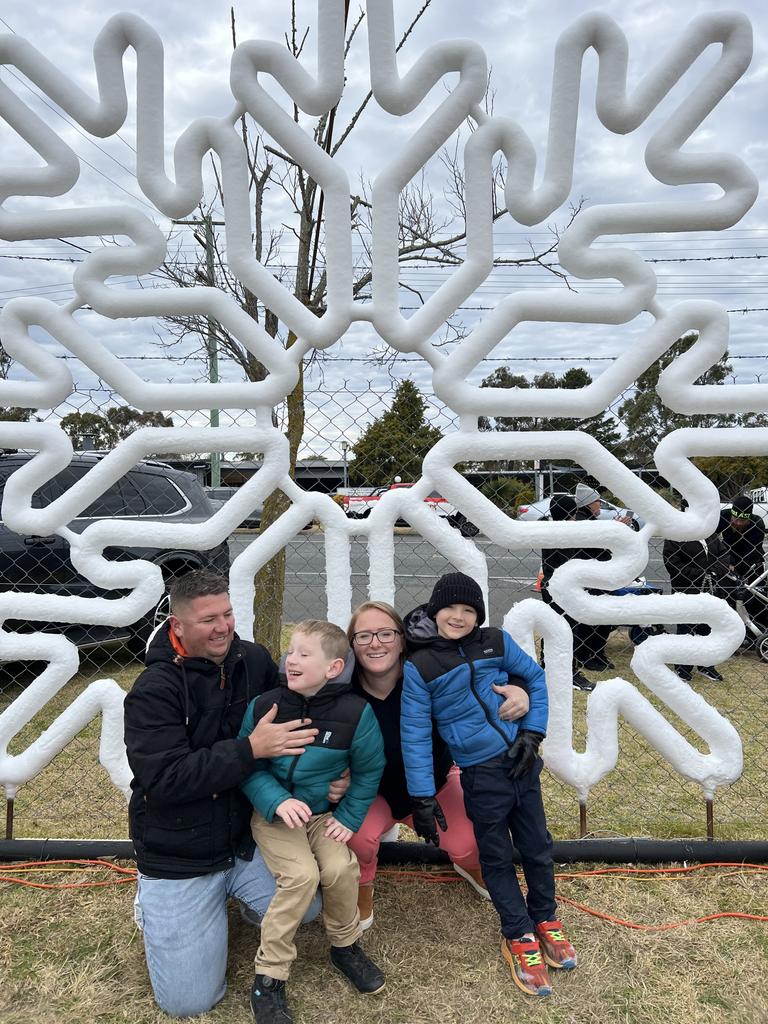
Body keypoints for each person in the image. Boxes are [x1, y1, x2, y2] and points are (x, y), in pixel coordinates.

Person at [123, 571, 346, 1018]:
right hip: (181, 852)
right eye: (208, 619)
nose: (223, 626)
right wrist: (249, 750)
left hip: (244, 838)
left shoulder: (255, 661)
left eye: (227, 613)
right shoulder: (155, 690)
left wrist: (331, 778)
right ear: (178, 625)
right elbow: (165, 780)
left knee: (306, 908)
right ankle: (154, 904)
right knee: (189, 1003)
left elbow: (304, 717)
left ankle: (241, 898)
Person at [401, 572, 578, 999]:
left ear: (478, 615)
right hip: (479, 775)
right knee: (496, 856)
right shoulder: (419, 666)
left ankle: (545, 918)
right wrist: (422, 796)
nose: (458, 617)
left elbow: (534, 678)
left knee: (538, 845)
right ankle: (518, 934)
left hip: (521, 760)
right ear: (433, 610)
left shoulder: (495, 641)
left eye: (468, 610)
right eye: (449, 609)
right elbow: (415, 735)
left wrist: (532, 734)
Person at [346, 600, 531, 931]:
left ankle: (470, 864)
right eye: (363, 636)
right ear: (351, 645)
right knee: (352, 837)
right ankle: (361, 883)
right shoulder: (341, 690)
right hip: (371, 793)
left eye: (386, 633)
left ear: (404, 638)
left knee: (474, 839)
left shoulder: (430, 673)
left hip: (436, 783)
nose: (375, 643)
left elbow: (485, 674)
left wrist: (521, 688)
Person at [238, 620, 386, 1024]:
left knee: (340, 867)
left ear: (333, 668)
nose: (292, 659)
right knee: (301, 876)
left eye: (305, 654)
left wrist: (350, 816)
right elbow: (248, 766)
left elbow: (370, 769)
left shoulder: (356, 713)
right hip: (276, 816)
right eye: (291, 651)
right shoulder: (265, 705)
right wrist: (277, 801)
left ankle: (345, 946)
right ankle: (269, 976)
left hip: (323, 816)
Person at [663, 498, 723, 682]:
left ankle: (706, 664)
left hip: (710, 591)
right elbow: (673, 564)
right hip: (686, 590)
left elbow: (723, 554)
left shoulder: (709, 532)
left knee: (707, 628)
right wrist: (700, 574)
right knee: (686, 629)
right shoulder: (675, 535)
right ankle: (683, 667)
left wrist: (714, 572)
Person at [540, 494, 594, 691]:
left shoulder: (551, 529)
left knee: (553, 629)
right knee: (569, 631)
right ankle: (568, 672)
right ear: (570, 513)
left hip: (551, 587)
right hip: (562, 590)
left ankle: (548, 666)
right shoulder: (565, 535)